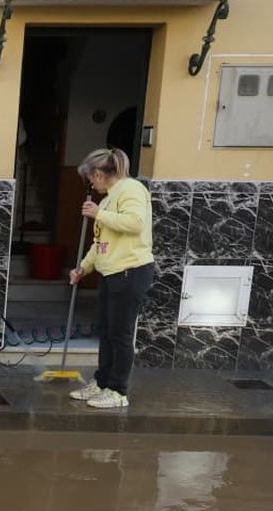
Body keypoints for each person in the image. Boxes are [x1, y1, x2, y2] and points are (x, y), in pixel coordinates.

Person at [68, 147, 154, 410]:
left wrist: (99, 214)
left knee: (120, 334)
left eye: (91, 179)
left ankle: (118, 390)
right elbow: (100, 241)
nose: (92, 185)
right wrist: (84, 267)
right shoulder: (107, 199)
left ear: (98, 174)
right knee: (105, 331)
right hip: (109, 271)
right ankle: (102, 381)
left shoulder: (131, 190)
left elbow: (135, 223)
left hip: (129, 271)